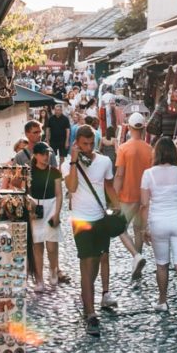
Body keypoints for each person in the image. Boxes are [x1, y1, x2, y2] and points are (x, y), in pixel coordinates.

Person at [62, 124, 121, 336]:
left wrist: (118, 207)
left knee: (95, 262)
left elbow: (108, 186)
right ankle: (90, 314)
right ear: (76, 144)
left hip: (100, 219)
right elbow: (71, 187)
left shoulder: (104, 161)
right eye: (83, 144)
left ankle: (86, 294)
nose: (87, 148)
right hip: (80, 220)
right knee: (86, 264)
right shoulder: (68, 164)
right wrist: (74, 160)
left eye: (90, 144)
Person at [140, 136, 177, 324]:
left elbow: (144, 205)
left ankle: (162, 301)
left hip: (158, 222)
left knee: (161, 264)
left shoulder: (148, 174)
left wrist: (144, 228)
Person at [114, 112, 153, 281]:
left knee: (119, 228)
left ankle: (136, 256)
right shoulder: (150, 149)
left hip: (127, 196)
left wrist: (113, 196)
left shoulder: (123, 148)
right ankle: (137, 262)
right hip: (144, 197)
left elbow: (119, 175)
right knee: (139, 230)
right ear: (144, 129)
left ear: (129, 128)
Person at [28, 142, 64, 293]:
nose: (46, 156)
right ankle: (39, 280)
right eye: (42, 154)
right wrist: (30, 208)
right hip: (36, 209)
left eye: (47, 154)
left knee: (51, 246)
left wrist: (57, 213)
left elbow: (59, 194)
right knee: (37, 247)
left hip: (51, 207)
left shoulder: (54, 172)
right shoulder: (29, 172)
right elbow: (25, 192)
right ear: (36, 155)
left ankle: (53, 269)